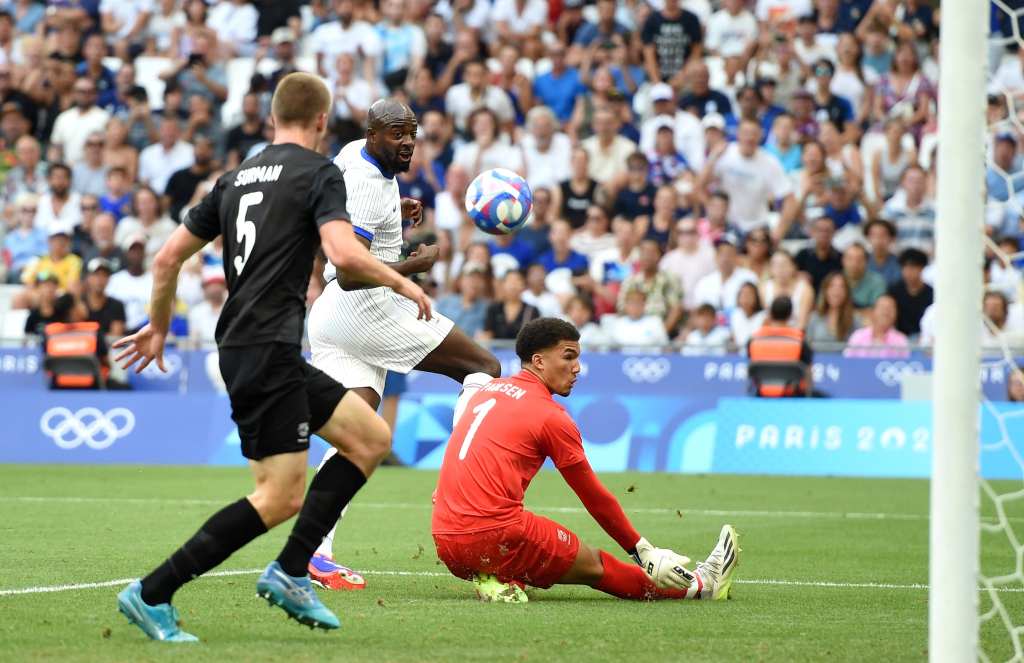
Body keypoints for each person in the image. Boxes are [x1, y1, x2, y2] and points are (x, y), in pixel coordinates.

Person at [113, 73, 432, 642]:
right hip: (266, 348)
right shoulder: (320, 172)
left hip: (250, 344)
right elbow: (341, 255)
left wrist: (157, 328)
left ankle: (289, 570)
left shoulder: (234, 178)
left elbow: (166, 260)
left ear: (272, 119)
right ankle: (154, 591)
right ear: (320, 123)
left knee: (371, 439)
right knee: (279, 496)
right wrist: (403, 281)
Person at [304, 99, 503, 588]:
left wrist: (397, 209)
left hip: (329, 314)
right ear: (375, 134)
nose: (408, 142)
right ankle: (464, 490)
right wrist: (413, 265)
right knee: (484, 367)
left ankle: (315, 551)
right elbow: (353, 274)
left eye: (412, 133)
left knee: (357, 434)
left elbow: (335, 208)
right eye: (397, 134)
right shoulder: (371, 184)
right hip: (364, 307)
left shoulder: (353, 155)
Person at [433, 317, 737, 602]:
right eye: (568, 357)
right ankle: (703, 586)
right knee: (594, 564)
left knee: (530, 552)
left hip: (445, 541)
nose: (577, 367)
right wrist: (642, 550)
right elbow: (593, 497)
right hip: (492, 536)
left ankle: (496, 578)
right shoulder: (550, 416)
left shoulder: (488, 391)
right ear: (538, 361)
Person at [697, 119, 796, 236]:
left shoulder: (770, 162)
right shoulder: (724, 154)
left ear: (760, 136)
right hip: (727, 225)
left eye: (754, 133)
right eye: (745, 133)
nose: (749, 138)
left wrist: (780, 229)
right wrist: (712, 210)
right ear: (737, 134)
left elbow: (790, 199)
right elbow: (698, 187)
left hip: (757, 227)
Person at [747, 296, 814, 397]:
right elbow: (808, 376)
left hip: (761, 397)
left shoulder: (753, 340)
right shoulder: (800, 341)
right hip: (793, 398)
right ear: (790, 315)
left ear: (771, 313)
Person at [618, 238, 683, 334]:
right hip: (633, 333)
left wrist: (659, 337)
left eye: (651, 252)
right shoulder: (630, 281)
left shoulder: (670, 279)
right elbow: (622, 311)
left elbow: (675, 311)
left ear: (659, 255)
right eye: (643, 252)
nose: (647, 256)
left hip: (661, 334)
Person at [49, 77, 111, 165]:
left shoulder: (104, 117)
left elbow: (108, 148)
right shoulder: (63, 118)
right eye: (81, 91)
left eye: (89, 91)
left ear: (95, 94)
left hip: (94, 169)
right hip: (68, 170)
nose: (85, 95)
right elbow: (55, 147)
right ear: (74, 93)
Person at [659, 216, 716, 308]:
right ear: (676, 235)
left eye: (690, 232)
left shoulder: (709, 254)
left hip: (704, 306)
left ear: (697, 233)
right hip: (676, 307)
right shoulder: (668, 260)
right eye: (682, 233)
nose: (686, 236)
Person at [692, 236, 759, 314]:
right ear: (716, 257)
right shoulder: (704, 283)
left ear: (737, 256)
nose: (725, 259)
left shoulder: (749, 277)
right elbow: (698, 311)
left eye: (729, 254)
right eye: (722, 254)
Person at [138, 117, 195, 196]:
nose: (168, 133)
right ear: (158, 131)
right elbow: (143, 182)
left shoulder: (191, 151)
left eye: (172, 129)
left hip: (180, 198)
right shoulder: (147, 153)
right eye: (165, 129)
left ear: (179, 131)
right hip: (154, 200)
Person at [479, 269, 539, 341]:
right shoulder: (494, 309)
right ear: (503, 284)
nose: (513, 285)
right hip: (496, 351)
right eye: (509, 281)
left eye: (517, 281)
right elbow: (488, 333)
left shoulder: (531, 310)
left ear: (524, 284)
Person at [887, 248, 933, 339]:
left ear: (921, 268)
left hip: (921, 337)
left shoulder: (931, 293)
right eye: (905, 267)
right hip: (897, 337)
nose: (908, 272)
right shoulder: (894, 291)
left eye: (912, 268)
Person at [844, 294, 910, 358]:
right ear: (873, 311)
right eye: (882, 307)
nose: (886, 312)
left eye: (890, 308)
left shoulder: (901, 340)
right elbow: (847, 362)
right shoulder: (858, 336)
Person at [760, 251, 813, 330]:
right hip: (771, 335)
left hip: (795, 336)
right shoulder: (764, 288)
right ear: (770, 268)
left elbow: (802, 323)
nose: (780, 270)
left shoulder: (805, 290)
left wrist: (787, 337)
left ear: (793, 267)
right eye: (776, 265)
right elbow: (766, 319)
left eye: (784, 265)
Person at [805, 272, 861, 343]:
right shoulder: (814, 317)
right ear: (825, 291)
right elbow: (808, 345)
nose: (837, 291)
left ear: (847, 292)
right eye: (832, 286)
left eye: (841, 287)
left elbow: (859, 347)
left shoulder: (855, 319)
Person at [795, 216, 843, 293]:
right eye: (819, 230)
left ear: (834, 232)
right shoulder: (802, 255)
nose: (824, 234)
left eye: (827, 230)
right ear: (811, 232)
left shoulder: (841, 258)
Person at [82, 257, 126, 337]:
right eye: (96, 275)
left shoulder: (116, 306)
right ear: (88, 277)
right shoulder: (80, 304)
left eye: (104, 275)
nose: (100, 279)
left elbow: (116, 335)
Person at [188, 265, 227, 344]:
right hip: (203, 355)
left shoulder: (232, 309)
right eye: (211, 285)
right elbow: (193, 342)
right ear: (204, 288)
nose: (215, 289)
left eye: (219, 284)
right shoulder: (196, 312)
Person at [842, 243, 887, 312]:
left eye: (859, 259)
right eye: (850, 259)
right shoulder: (833, 280)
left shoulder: (877, 282)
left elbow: (878, 311)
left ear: (866, 262)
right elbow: (823, 307)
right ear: (843, 260)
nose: (854, 264)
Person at [864, 218, 902, 285]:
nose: (878, 240)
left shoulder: (899, 263)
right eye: (874, 235)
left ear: (891, 238)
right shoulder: (863, 261)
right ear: (868, 237)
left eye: (883, 235)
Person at [730, 281, 766, 348]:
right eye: (742, 295)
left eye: (748, 295)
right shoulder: (735, 314)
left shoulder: (764, 317)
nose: (745, 299)